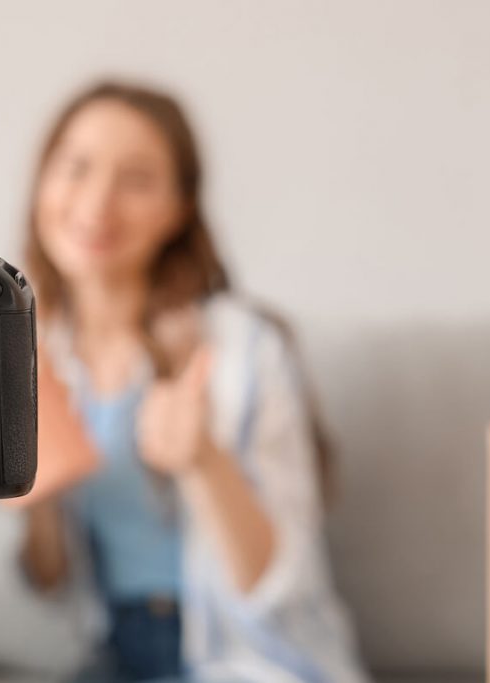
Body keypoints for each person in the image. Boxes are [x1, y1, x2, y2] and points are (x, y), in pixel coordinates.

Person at [18, 81, 370, 682]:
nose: (97, 203)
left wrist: (203, 459)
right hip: (116, 653)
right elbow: (51, 582)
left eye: (137, 179)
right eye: (76, 167)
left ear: (180, 208)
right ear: (42, 181)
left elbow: (276, 581)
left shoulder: (244, 347)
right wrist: (34, 499)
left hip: (247, 654)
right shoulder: (36, 356)